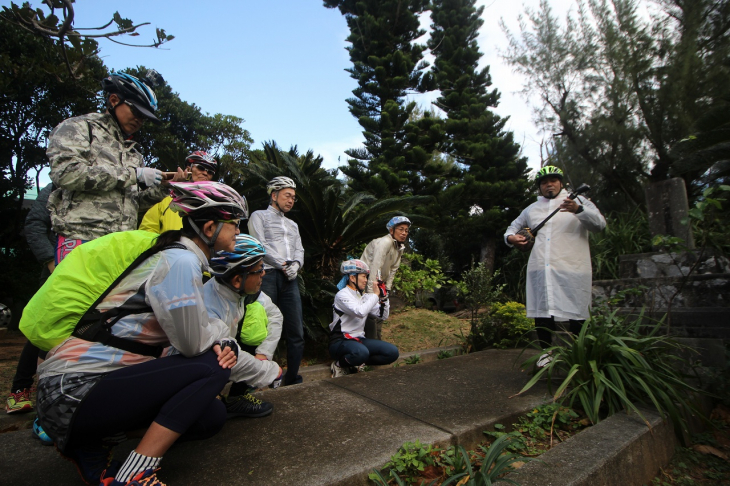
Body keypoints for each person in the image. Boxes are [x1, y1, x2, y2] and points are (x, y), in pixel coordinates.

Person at [34, 182, 270, 486]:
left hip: (78, 394)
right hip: (73, 391)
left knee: (210, 415)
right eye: (234, 225)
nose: (238, 232)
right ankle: (135, 474)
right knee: (212, 365)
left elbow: (195, 334)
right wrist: (224, 340)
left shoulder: (181, 259)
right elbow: (192, 343)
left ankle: (90, 445)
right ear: (210, 227)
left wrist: (219, 338)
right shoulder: (180, 262)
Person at [47, 70, 186, 262]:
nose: (140, 120)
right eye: (136, 111)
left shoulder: (133, 153)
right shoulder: (80, 128)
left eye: (145, 117)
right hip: (83, 237)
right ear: (114, 100)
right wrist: (133, 174)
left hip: (121, 244)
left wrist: (164, 188)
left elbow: (132, 201)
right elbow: (66, 173)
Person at [504, 166, 606, 366]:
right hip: (540, 267)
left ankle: (579, 353)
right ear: (539, 187)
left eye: (553, 180)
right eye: (544, 182)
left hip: (572, 266)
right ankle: (546, 352)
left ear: (561, 183)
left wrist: (579, 210)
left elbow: (600, 225)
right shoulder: (531, 209)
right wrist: (510, 238)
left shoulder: (579, 201)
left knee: (576, 309)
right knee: (542, 310)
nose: (549, 184)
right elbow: (512, 228)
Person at [205, 234, 284, 418]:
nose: (264, 273)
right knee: (212, 418)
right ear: (237, 280)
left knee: (252, 337)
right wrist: (271, 371)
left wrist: (264, 354)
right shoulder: (210, 307)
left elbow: (275, 316)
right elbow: (229, 356)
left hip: (228, 347)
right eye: (259, 269)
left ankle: (234, 398)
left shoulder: (242, 292)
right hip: (203, 362)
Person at [5, 184, 55, 438]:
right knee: (43, 330)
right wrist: (51, 262)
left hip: (94, 270)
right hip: (58, 268)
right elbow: (35, 226)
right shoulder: (56, 187)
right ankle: (20, 391)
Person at [247, 176, 305, 386]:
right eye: (287, 195)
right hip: (268, 275)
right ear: (274, 195)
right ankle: (257, 378)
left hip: (291, 278)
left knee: (295, 330)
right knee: (263, 327)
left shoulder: (293, 224)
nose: (291, 200)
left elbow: (300, 249)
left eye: (293, 197)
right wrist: (283, 264)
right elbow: (259, 245)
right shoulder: (258, 216)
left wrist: (296, 265)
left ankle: (291, 378)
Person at [329, 259, 399, 378]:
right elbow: (360, 311)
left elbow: (383, 315)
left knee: (392, 352)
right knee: (361, 352)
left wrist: (383, 298)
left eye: (366, 277)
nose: (366, 280)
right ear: (352, 278)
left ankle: (356, 362)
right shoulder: (342, 295)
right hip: (341, 341)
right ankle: (339, 364)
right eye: (363, 276)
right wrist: (375, 295)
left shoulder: (363, 297)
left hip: (359, 340)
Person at [139, 151, 218, 234]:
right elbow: (146, 232)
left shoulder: (214, 205)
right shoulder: (164, 198)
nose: (205, 173)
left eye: (210, 172)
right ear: (188, 169)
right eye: (201, 168)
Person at [360, 216, 411, 339]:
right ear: (391, 230)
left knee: (379, 316)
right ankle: (371, 346)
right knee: (370, 318)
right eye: (401, 229)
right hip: (365, 283)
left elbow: (393, 269)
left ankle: (377, 344)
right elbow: (375, 267)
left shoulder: (399, 247)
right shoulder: (385, 242)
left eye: (406, 230)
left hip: (379, 285)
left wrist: (386, 290)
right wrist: (372, 295)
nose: (404, 233)